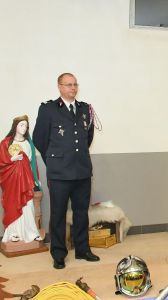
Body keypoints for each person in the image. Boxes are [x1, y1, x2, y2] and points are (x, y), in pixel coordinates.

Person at [33, 73, 99, 269]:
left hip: (82, 171)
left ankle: (82, 249)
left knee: (81, 212)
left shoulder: (85, 109)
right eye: (68, 85)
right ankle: (59, 253)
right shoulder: (48, 109)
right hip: (60, 173)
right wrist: (54, 160)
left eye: (75, 84)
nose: (73, 88)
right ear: (59, 87)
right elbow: (39, 139)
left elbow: (88, 137)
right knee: (58, 213)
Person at [0, 115, 42, 243]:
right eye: (21, 125)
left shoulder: (29, 143)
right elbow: (1, 161)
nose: (24, 128)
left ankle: (31, 232)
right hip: (11, 180)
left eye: (26, 125)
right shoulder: (6, 142)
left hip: (25, 179)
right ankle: (13, 232)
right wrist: (12, 159)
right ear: (15, 126)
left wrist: (36, 178)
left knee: (28, 205)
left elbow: (32, 163)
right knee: (13, 204)